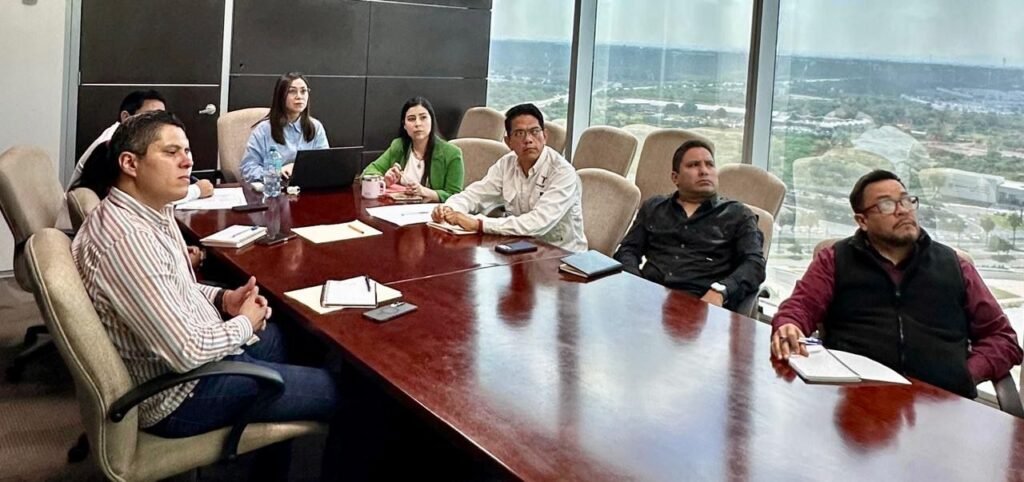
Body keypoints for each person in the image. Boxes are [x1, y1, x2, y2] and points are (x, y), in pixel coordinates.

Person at [72, 112, 340, 456]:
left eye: (187, 151)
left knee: (294, 338)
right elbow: (186, 352)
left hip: (195, 357)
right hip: (180, 393)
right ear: (130, 163)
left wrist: (224, 299)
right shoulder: (128, 241)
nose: (188, 161)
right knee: (345, 392)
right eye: (171, 152)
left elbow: (172, 285)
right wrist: (244, 324)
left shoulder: (148, 212)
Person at [769, 169, 1022, 398]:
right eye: (886, 204)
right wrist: (788, 325)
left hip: (940, 403)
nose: (902, 210)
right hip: (858, 398)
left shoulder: (954, 266)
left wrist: (965, 375)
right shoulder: (835, 259)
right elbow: (800, 307)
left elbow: (1002, 338)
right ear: (862, 221)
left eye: (906, 200)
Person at [612, 139, 766, 312]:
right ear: (675, 177)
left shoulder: (738, 215)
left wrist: (721, 290)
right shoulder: (654, 208)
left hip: (700, 306)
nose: (704, 171)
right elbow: (628, 250)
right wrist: (635, 282)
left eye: (710, 165)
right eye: (694, 165)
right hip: (648, 300)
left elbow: (754, 264)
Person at [431, 103, 587, 252]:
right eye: (519, 133)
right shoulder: (507, 164)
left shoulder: (562, 172)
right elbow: (476, 195)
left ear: (545, 136)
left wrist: (479, 224)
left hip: (562, 256)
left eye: (534, 131)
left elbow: (538, 223)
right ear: (508, 142)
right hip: (520, 247)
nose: (528, 139)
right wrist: (449, 209)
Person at [68, 89, 213, 202]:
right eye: (150, 117)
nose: (159, 122)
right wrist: (196, 191)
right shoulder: (115, 144)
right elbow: (136, 198)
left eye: (161, 116)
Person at [361, 97, 464, 202]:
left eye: (423, 117)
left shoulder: (452, 153)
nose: (417, 124)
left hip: (433, 210)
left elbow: (456, 197)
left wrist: (425, 192)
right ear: (404, 125)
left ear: (432, 120)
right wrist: (384, 180)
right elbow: (367, 173)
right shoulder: (399, 146)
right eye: (411, 119)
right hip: (399, 208)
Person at [239, 72, 329, 182]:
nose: (299, 96)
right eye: (292, 91)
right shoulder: (264, 130)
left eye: (303, 91)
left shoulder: (316, 127)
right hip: (274, 188)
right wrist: (276, 172)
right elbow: (247, 169)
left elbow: (324, 165)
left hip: (307, 187)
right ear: (281, 96)